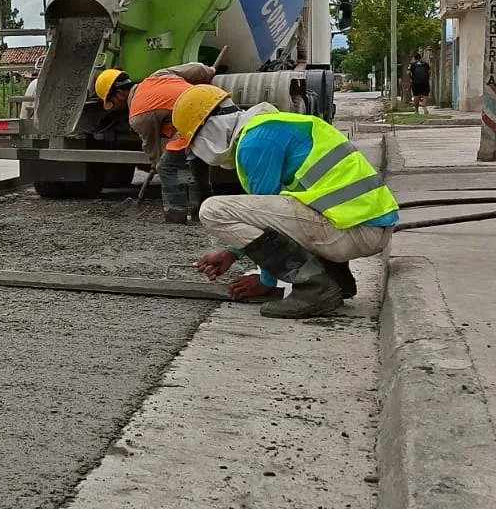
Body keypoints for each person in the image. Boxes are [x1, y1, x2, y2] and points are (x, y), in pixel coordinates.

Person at [171, 84, 400, 319]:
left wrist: (265, 282)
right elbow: (278, 214)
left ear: (209, 131)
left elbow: (268, 225)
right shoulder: (273, 126)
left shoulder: (255, 143)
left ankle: (315, 287)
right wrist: (232, 252)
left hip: (353, 232)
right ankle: (334, 278)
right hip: (366, 227)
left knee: (212, 210)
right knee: (293, 202)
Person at [94, 62, 218, 223]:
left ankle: (176, 215)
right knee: (190, 162)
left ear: (119, 94)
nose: (115, 107)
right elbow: (197, 69)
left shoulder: (138, 114)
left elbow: (152, 149)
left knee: (166, 166)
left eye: (112, 103)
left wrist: (157, 164)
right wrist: (210, 71)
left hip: (199, 121)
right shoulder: (159, 75)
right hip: (215, 107)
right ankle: (199, 211)